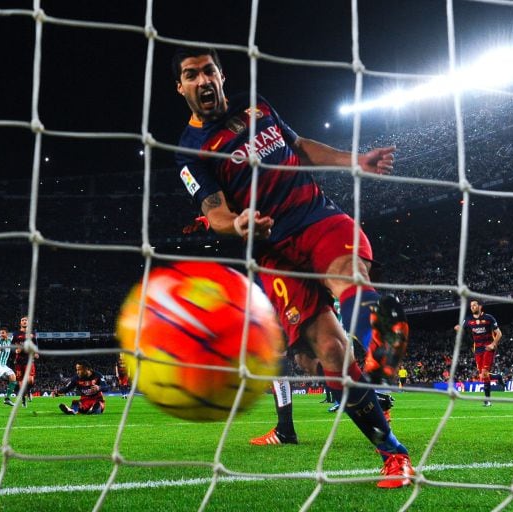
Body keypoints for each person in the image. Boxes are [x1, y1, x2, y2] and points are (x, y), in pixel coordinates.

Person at [173, 47, 413, 488]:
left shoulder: (258, 107)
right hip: (274, 252)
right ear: (181, 87)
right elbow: (215, 211)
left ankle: (381, 346)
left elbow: (300, 147)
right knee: (331, 356)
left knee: (348, 278)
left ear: (222, 76)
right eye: (192, 75)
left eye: (209, 70)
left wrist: (355, 161)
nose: (203, 80)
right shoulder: (189, 150)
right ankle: (394, 454)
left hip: (317, 218)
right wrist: (239, 223)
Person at [454, 299, 503, 406]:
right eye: (471, 306)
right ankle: (497, 377)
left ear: (480, 307)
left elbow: (499, 333)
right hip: (478, 349)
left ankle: (488, 400)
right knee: (482, 375)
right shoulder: (468, 319)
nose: (472, 307)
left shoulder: (489, 318)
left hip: (488, 348)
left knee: (484, 373)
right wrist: (459, 328)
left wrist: (493, 344)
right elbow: (462, 328)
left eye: (474, 305)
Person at [13, 315, 38, 407]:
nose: (24, 321)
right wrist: (15, 350)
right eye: (22, 320)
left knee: (30, 380)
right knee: (21, 382)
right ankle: (23, 399)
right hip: (19, 360)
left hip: (29, 359)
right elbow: (12, 345)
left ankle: (29, 390)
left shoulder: (33, 333)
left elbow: (35, 344)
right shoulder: (16, 334)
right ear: (20, 323)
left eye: (26, 320)